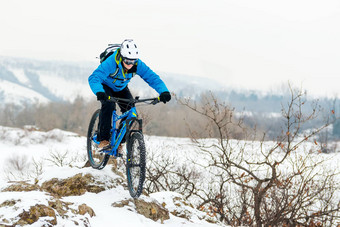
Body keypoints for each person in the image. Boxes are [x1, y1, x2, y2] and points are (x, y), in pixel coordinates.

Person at [88, 39, 171, 148]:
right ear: (122, 57)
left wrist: (164, 91)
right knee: (109, 105)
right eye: (127, 61)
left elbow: (152, 78)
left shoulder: (138, 64)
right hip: (105, 86)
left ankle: (119, 141)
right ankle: (103, 139)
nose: (130, 65)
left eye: (132, 62)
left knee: (131, 111)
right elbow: (94, 78)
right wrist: (99, 92)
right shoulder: (111, 62)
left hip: (121, 88)